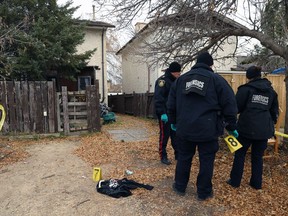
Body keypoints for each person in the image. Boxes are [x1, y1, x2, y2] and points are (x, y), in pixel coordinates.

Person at [167, 51, 238, 200]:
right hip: (208, 128)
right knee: (206, 160)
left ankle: (180, 186)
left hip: (185, 128)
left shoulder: (181, 80)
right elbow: (230, 104)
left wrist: (173, 122)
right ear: (210, 64)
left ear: (196, 63)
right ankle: (204, 192)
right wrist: (231, 125)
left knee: (184, 157)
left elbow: (171, 104)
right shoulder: (217, 80)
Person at [227, 66, 279, 190]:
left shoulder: (245, 90)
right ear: (260, 75)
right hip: (263, 130)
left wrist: (231, 123)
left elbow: (235, 108)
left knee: (240, 154)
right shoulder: (271, 91)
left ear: (248, 76)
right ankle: (256, 183)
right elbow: (274, 111)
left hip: (246, 128)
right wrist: (271, 125)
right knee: (257, 156)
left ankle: (235, 181)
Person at [154, 62, 181, 165]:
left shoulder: (177, 81)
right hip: (165, 114)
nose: (179, 75)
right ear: (173, 72)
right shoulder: (163, 81)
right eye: (178, 73)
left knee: (175, 136)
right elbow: (158, 98)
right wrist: (162, 113)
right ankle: (163, 156)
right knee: (164, 135)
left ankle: (178, 154)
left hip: (174, 114)